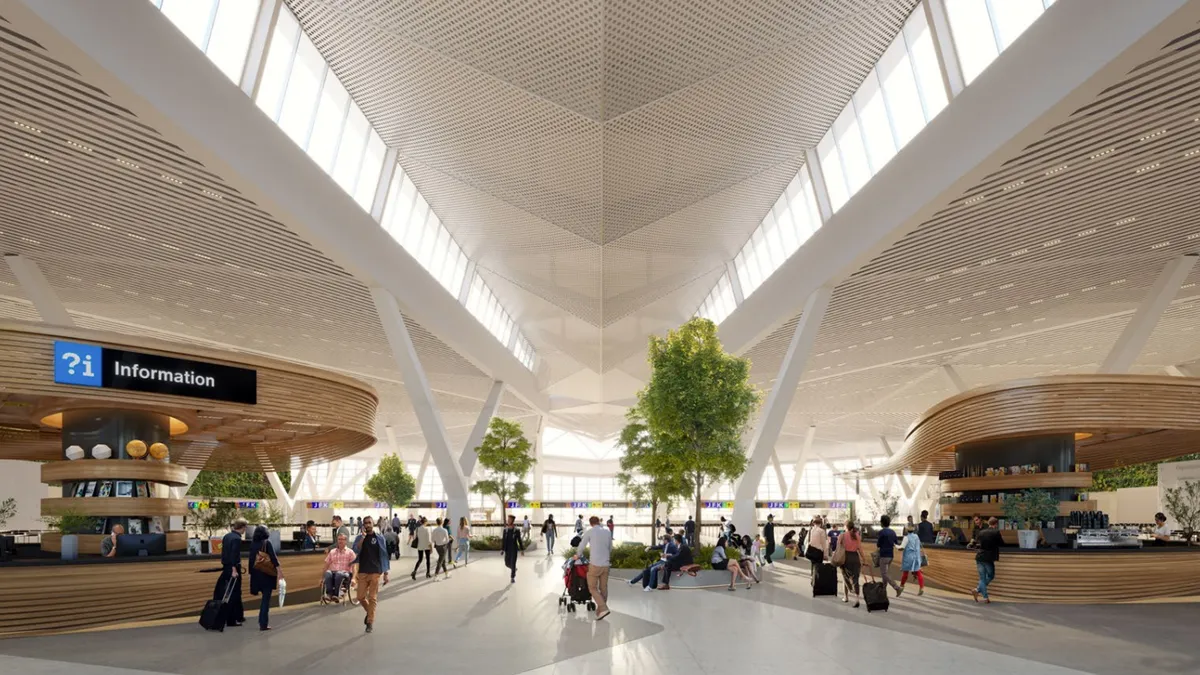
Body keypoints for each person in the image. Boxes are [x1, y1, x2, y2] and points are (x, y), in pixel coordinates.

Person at [352, 516, 389, 633]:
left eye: (369, 523)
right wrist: (362, 537)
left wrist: (386, 573)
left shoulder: (379, 538)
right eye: (365, 523)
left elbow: (384, 555)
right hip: (362, 571)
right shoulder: (359, 538)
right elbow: (356, 551)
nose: (368, 525)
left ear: (373, 524)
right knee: (360, 597)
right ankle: (369, 613)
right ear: (363, 525)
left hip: (375, 571)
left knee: (372, 598)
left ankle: (370, 622)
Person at [574, 516, 613, 620]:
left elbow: (582, 545)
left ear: (591, 523)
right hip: (606, 564)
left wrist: (577, 555)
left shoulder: (590, 532)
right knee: (603, 588)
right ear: (599, 522)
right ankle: (601, 611)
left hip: (595, 564)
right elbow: (610, 548)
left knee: (592, 588)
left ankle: (603, 608)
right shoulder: (607, 531)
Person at [212, 518, 247, 627]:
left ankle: (238, 615)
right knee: (234, 593)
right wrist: (234, 569)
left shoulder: (227, 536)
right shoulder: (236, 539)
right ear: (242, 527)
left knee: (228, 592)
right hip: (233, 569)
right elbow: (234, 555)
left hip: (226, 567)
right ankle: (232, 619)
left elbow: (225, 553)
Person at [248, 525, 283, 631]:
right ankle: (263, 623)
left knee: (264, 599)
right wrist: (279, 571)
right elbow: (273, 558)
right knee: (265, 600)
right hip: (266, 574)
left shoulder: (253, 544)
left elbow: (251, 560)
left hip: (256, 574)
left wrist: (251, 574)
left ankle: (262, 622)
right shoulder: (267, 543)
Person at [971, 517, 1003, 604]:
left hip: (979, 557)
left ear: (988, 523)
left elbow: (976, 543)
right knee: (991, 576)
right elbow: (1001, 543)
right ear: (995, 524)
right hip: (989, 558)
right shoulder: (996, 532)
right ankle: (978, 590)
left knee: (982, 578)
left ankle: (983, 596)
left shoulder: (981, 532)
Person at [322, 532, 356, 600]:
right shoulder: (332, 551)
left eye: (342, 539)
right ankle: (329, 594)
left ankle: (337, 593)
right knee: (328, 573)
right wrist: (322, 578)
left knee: (339, 574)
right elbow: (326, 565)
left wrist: (354, 578)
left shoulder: (350, 552)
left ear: (345, 541)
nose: (340, 541)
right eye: (339, 539)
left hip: (345, 573)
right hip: (333, 572)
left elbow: (354, 567)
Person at [876, 515, 903, 597]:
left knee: (884, 574)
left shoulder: (881, 532)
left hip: (884, 555)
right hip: (891, 555)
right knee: (885, 573)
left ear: (882, 522)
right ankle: (883, 592)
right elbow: (896, 543)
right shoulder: (892, 532)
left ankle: (897, 587)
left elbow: (878, 544)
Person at [840, 520, 862, 608]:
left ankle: (849, 592)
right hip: (855, 558)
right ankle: (857, 599)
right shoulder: (857, 535)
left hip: (846, 558)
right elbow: (860, 549)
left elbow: (839, 548)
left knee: (845, 576)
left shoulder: (842, 535)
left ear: (845, 526)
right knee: (855, 578)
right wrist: (864, 559)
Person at [898, 526, 925, 596]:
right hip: (916, 556)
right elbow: (919, 545)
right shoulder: (916, 536)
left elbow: (902, 547)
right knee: (918, 572)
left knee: (905, 573)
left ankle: (901, 586)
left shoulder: (906, 537)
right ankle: (921, 588)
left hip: (908, 557)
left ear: (906, 530)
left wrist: (896, 546)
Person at [501, 514, 524, 582]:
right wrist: (502, 549)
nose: (508, 521)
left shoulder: (516, 530)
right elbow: (503, 540)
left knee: (513, 563)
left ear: (512, 521)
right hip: (507, 549)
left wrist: (522, 549)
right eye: (508, 519)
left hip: (514, 549)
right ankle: (513, 569)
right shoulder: (505, 530)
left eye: (509, 519)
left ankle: (512, 577)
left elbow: (519, 540)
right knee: (507, 563)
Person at [805, 517, 829, 581]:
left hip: (810, 551)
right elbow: (824, 543)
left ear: (813, 523)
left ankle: (812, 578)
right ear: (820, 524)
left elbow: (806, 541)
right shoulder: (821, 531)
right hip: (818, 552)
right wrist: (825, 554)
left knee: (813, 565)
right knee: (818, 566)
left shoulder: (810, 530)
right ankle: (816, 580)